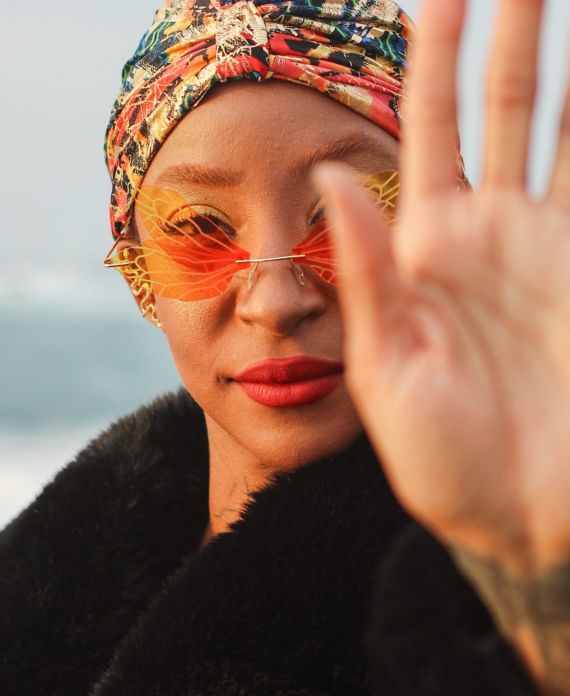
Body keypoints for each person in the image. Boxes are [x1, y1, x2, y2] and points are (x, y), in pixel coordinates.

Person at [1, 0, 569, 694]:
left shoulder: (504, 575)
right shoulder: (35, 585)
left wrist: (540, 598)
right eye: (201, 228)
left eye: (352, 212)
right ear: (140, 275)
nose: (275, 303)